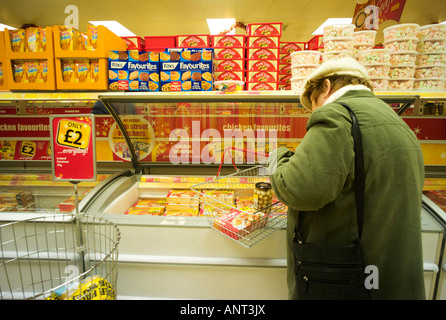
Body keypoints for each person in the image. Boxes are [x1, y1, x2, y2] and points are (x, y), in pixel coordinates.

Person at [268, 57, 425, 300]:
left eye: (313, 104)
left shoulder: (336, 116)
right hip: (389, 275)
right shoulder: (395, 120)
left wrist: (278, 157)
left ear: (326, 87)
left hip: (346, 278)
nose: (314, 112)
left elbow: (299, 189)